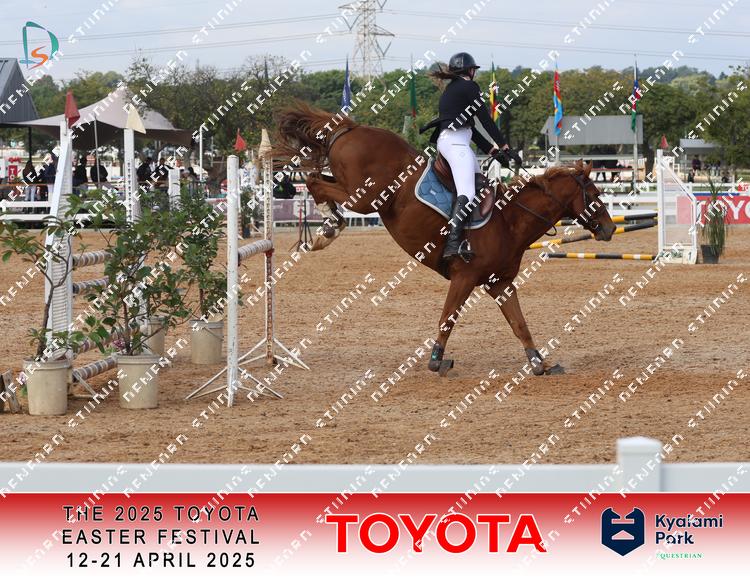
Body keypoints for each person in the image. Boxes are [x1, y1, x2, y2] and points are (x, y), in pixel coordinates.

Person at [421, 52, 516, 261]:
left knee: (480, 183)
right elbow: (486, 120)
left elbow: (471, 129)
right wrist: (504, 145)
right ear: (470, 71)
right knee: (468, 191)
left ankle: (471, 237)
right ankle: (452, 244)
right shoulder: (469, 87)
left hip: (456, 142)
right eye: (474, 70)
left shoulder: (452, 89)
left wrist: (494, 152)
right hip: (456, 144)